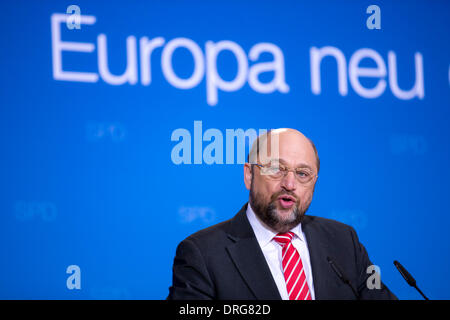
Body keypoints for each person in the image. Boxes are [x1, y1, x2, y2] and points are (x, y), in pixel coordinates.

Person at [167, 128, 397, 300]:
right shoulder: (202, 254)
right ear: (249, 175)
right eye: (276, 169)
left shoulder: (344, 241)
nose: (290, 183)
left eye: (303, 173)